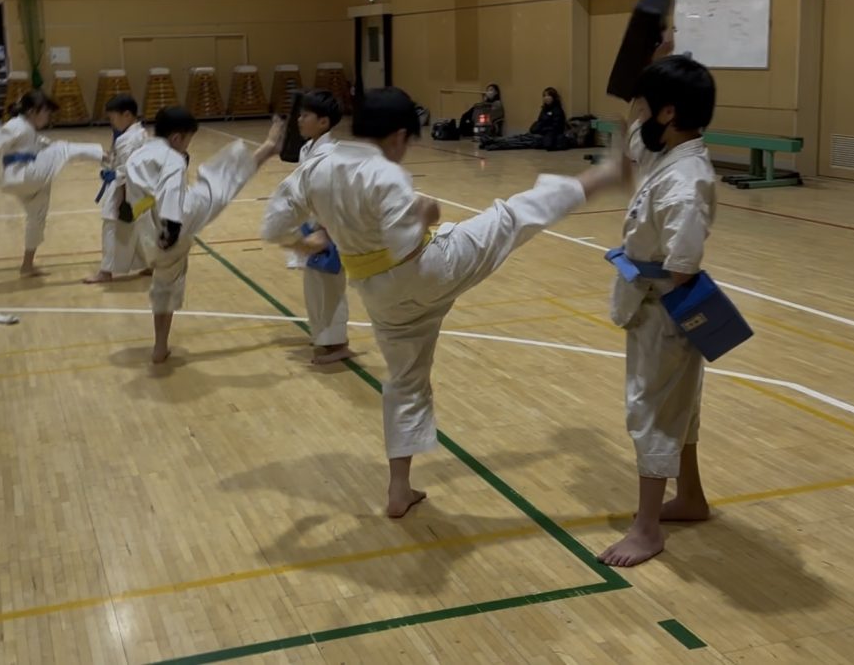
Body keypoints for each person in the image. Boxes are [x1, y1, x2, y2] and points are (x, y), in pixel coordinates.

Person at [262, 86, 623, 518]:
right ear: (399, 135)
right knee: (510, 217)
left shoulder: (315, 168)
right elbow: (403, 241)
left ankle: (399, 489)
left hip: (378, 294)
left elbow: (273, 225)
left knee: (404, 381)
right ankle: (603, 177)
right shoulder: (385, 174)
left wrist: (309, 242)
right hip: (428, 269)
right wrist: (427, 213)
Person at [597, 53, 718, 568]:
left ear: (668, 113)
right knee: (677, 406)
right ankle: (690, 497)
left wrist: (638, 267)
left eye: (645, 107)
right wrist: (651, 54)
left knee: (652, 410)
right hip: (650, 301)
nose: (636, 115)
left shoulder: (686, 180)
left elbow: (683, 266)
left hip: (669, 308)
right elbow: (634, 134)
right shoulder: (665, 154)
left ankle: (647, 530)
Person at [125, 106, 284, 363]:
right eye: (188, 140)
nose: (187, 146)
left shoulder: (138, 154)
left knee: (162, 285)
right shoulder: (173, 159)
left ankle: (160, 347)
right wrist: (172, 231)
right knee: (220, 183)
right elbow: (172, 191)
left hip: (147, 230)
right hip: (175, 222)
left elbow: (128, 187)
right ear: (177, 137)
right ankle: (268, 147)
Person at [0, 90, 104, 276]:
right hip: (24, 175)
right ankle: (104, 155)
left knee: (36, 218)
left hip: (25, 181)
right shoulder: (17, 124)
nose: (48, 116)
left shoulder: (30, 132)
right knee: (62, 148)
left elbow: (42, 146)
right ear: (31, 111)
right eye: (45, 111)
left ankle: (27, 266)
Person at [272, 89, 352, 365]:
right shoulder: (307, 149)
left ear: (323, 122)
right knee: (315, 287)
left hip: (331, 229)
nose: (299, 119)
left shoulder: (332, 156)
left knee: (330, 288)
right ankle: (323, 336)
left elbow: (337, 198)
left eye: (305, 115)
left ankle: (338, 344)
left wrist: (327, 233)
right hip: (312, 225)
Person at [84, 94, 149, 284]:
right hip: (137, 188)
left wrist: (114, 176)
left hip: (125, 188)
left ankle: (106, 271)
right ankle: (151, 263)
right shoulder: (138, 133)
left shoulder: (129, 139)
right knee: (136, 227)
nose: (111, 122)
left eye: (113, 118)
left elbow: (128, 168)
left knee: (110, 225)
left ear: (127, 115)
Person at [480, 87, 569, 151]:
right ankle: (492, 140)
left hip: (544, 136)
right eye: (544, 96)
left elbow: (556, 127)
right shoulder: (544, 110)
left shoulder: (557, 111)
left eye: (548, 96)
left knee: (519, 142)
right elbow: (540, 122)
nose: (546, 98)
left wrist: (541, 129)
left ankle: (493, 143)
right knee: (519, 137)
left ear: (553, 97)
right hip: (537, 133)